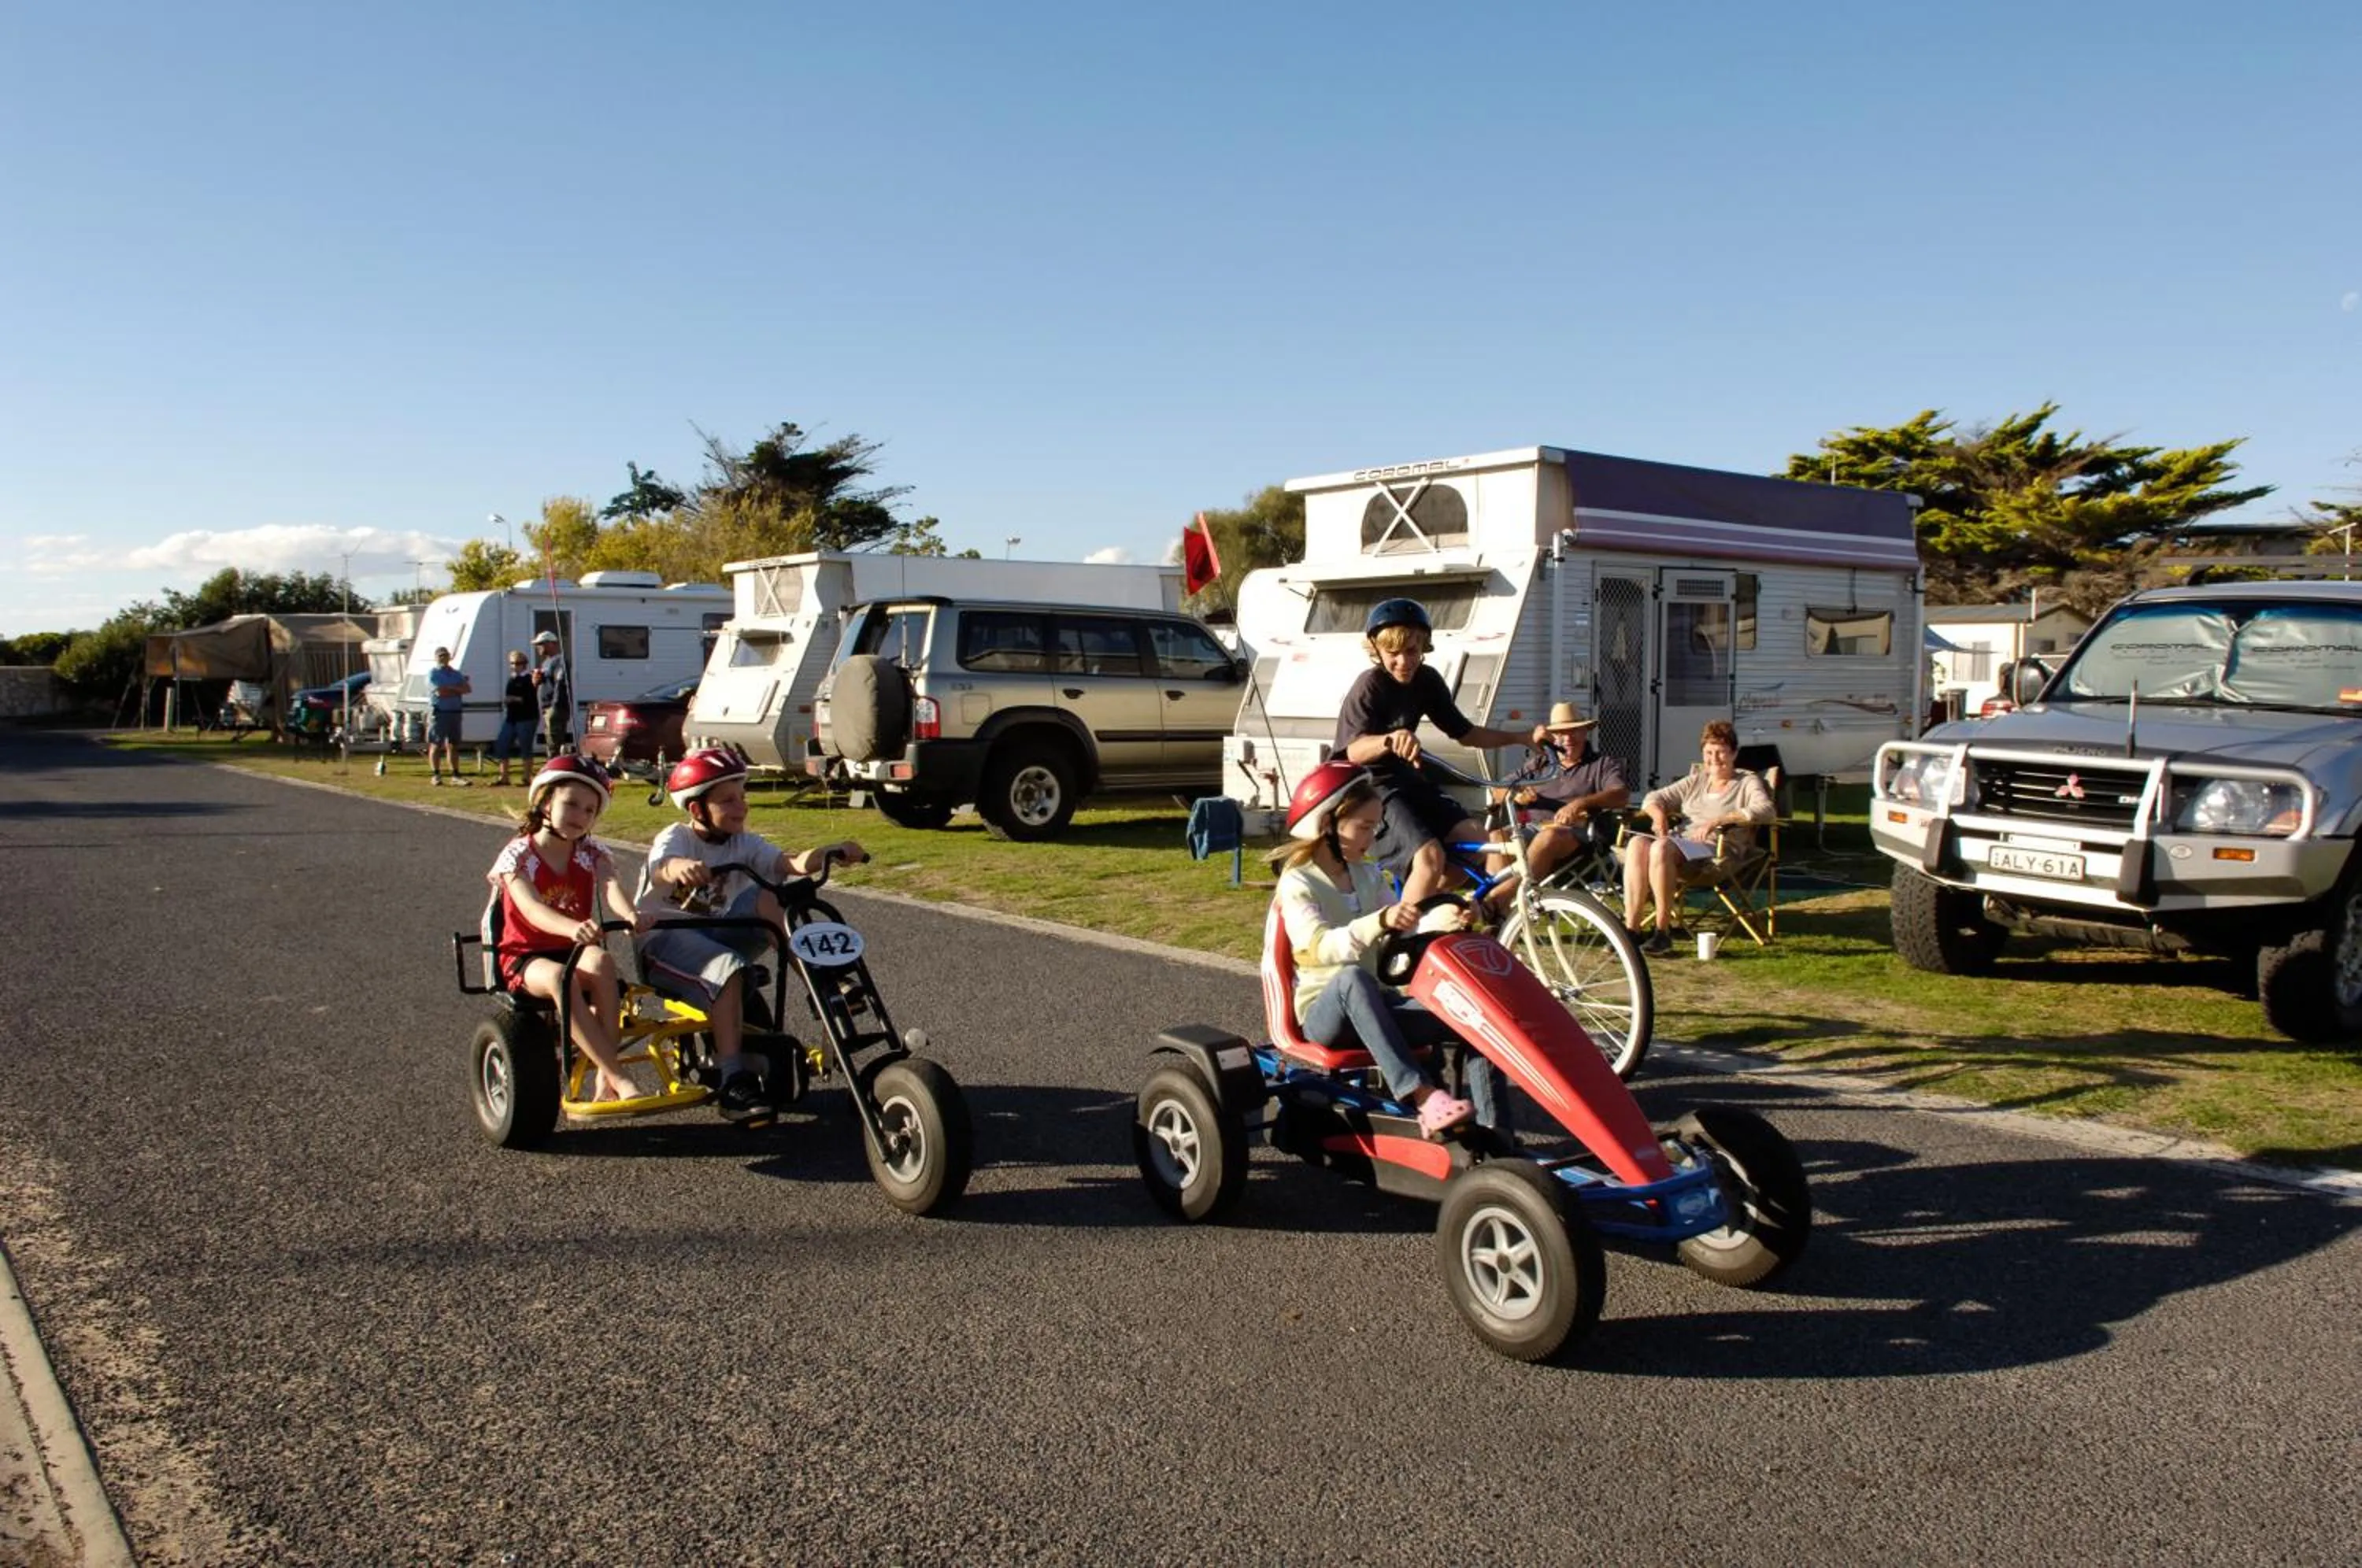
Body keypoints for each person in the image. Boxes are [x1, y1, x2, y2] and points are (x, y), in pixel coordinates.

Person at [1268, 759, 1498, 1140]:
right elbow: (1320, 947)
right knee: (1352, 978)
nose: (1372, 838)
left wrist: (1452, 914)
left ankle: (1493, 1134)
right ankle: (1422, 1096)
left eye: (1376, 827)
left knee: (1472, 1014)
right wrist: (1379, 921)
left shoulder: (1368, 875)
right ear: (1327, 826)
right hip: (1324, 1015)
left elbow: (1405, 926)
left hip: (1378, 1003)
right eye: (1364, 827)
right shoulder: (1298, 883)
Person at [635, 748, 868, 1120]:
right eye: (727, 801)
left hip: (717, 935)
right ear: (697, 810)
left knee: (768, 897)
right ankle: (733, 1082)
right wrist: (681, 867)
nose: (741, 807)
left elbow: (788, 864)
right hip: (664, 940)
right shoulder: (677, 837)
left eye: (742, 797)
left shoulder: (744, 842)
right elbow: (662, 866)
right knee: (727, 968)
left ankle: (823, 986)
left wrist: (829, 852)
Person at [1333, 598, 1549, 912]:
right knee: (1430, 858)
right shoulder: (1370, 685)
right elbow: (1352, 750)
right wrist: (1390, 740)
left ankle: (1420, 906)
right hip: (1372, 786)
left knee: (1476, 839)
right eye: (1393, 653)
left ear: (1424, 647)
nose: (1404, 661)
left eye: (1412, 651)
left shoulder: (1427, 681)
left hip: (1408, 780)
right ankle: (1398, 942)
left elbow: (1467, 734)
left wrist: (1520, 737)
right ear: (1377, 652)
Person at [487, 756, 649, 1103]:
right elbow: (531, 909)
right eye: (571, 804)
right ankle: (617, 1074)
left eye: (590, 811)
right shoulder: (518, 855)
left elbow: (609, 887)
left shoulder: (591, 852)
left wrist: (631, 915)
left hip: (573, 946)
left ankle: (605, 1079)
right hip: (526, 955)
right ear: (545, 802)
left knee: (603, 964)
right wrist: (573, 927)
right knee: (563, 978)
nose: (580, 816)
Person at [1620, 719, 1775, 956]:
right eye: (1708, 752)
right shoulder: (1698, 780)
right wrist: (1659, 816)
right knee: (1637, 844)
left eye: (1721, 752)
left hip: (1719, 851)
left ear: (1734, 753)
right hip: (1683, 846)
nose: (1714, 759)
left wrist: (1719, 820)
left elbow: (1766, 810)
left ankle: (1662, 931)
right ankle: (1632, 930)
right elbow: (1653, 798)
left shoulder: (1746, 781)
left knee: (1661, 847)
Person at [1491, 699, 1631, 886]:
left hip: (1578, 834)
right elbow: (1497, 791)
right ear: (1553, 738)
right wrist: (1516, 795)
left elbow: (1620, 795)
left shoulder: (1602, 764)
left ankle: (1506, 895)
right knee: (1497, 837)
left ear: (1585, 732)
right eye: (1560, 733)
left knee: (1547, 837)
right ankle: (1500, 902)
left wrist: (1579, 804)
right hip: (1532, 828)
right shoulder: (1539, 764)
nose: (1568, 739)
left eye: (1574, 731)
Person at [425, 646, 472, 786]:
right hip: (440, 712)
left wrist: (450, 688)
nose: (443, 658)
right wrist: (456, 689)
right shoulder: (433, 674)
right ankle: (436, 774)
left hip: (455, 712)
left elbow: (467, 689)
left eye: (445, 656)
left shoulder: (455, 673)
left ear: (449, 657)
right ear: (436, 658)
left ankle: (456, 775)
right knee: (436, 744)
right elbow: (440, 692)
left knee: (453, 744)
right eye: (440, 656)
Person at [491, 650, 538, 786]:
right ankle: (504, 777)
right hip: (512, 717)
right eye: (512, 663)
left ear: (524, 665)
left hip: (527, 717)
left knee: (525, 747)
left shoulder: (529, 679)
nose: (514, 666)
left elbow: (530, 699)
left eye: (517, 663)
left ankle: (526, 777)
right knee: (502, 744)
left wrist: (514, 699)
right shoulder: (512, 679)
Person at [531, 629, 572, 757]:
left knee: (554, 742)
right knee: (550, 740)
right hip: (546, 707)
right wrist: (537, 680)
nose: (538, 647)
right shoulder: (545, 663)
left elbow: (560, 684)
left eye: (541, 644)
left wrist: (555, 706)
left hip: (555, 707)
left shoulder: (560, 661)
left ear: (551, 644)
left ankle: (553, 766)